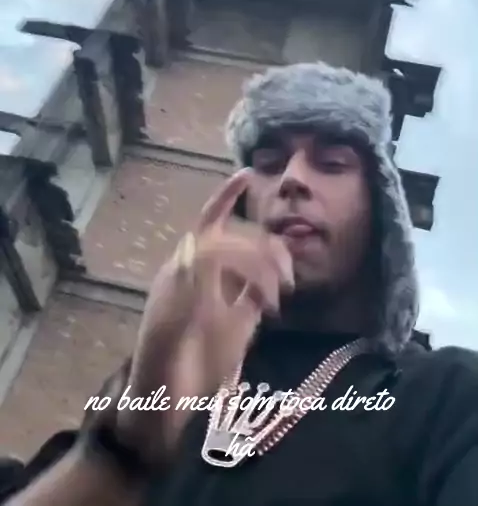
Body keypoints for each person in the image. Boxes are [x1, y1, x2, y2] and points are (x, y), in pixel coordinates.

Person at [2, 61, 477, 506]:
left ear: (381, 212)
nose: (292, 179)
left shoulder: (443, 396)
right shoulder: (159, 381)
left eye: (332, 163)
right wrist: (122, 451)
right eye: (269, 163)